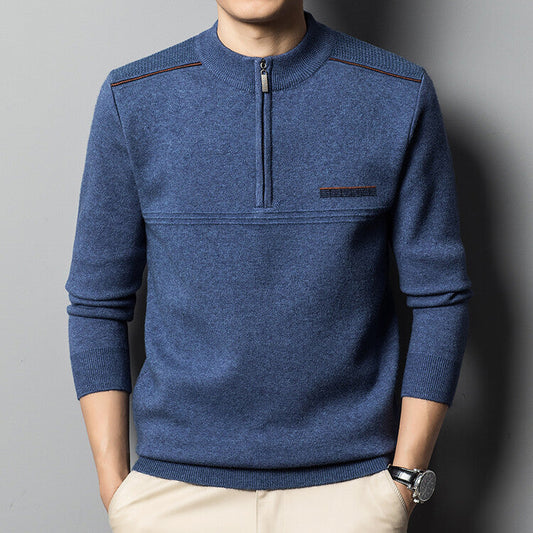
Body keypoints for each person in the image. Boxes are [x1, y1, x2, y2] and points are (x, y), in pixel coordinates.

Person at [64, 1, 473, 531]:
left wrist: (404, 479)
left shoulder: (397, 92)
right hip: (172, 493)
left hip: (351, 492)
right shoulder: (134, 97)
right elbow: (96, 302)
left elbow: (441, 296)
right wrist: (116, 484)